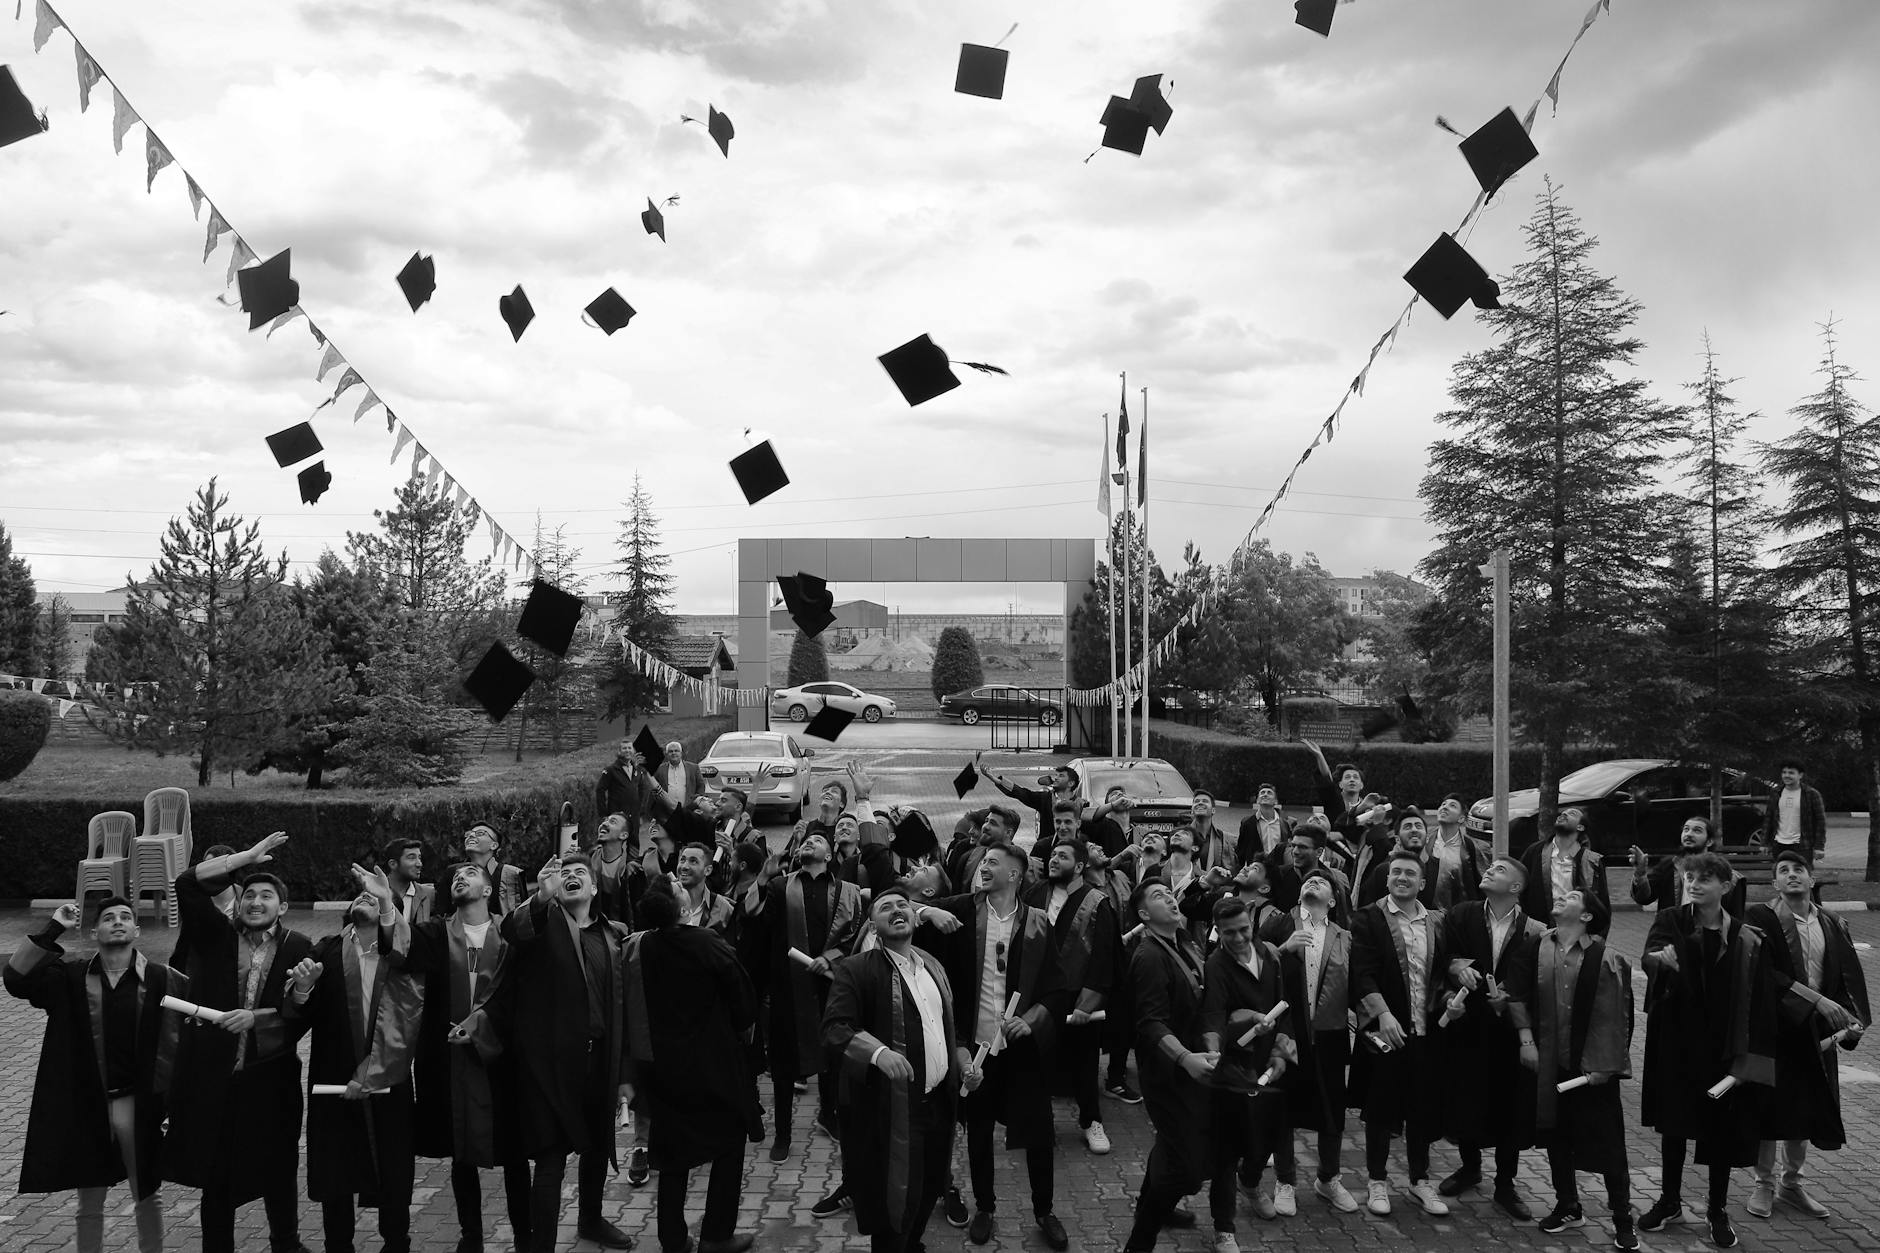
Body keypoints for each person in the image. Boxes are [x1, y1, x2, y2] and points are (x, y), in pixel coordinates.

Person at [465, 854, 637, 1252]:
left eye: (582, 874)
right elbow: (514, 930)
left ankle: (591, 1220)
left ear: (595, 888)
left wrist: (625, 1072)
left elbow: (625, 1008)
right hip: (548, 1066)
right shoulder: (543, 926)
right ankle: (540, 1245)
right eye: (567, 874)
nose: (573, 877)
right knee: (551, 1159)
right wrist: (541, 898)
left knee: (596, 1147)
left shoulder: (613, 935)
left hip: (598, 1061)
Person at [161, 831, 315, 1253]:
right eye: (249, 895)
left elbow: (301, 1018)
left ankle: (286, 1243)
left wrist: (273, 1010)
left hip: (271, 1080)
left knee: (279, 1168)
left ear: (281, 907)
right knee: (217, 1175)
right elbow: (187, 884)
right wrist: (242, 858)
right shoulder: (215, 937)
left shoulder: (298, 947)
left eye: (266, 896)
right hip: (216, 1077)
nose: (255, 902)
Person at [5, 897, 185, 1253]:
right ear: (94, 931)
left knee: (147, 1194)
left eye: (125, 917)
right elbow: (16, 979)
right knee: (90, 1200)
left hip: (139, 1105)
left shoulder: (164, 979)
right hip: (90, 1106)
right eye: (107, 918)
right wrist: (54, 928)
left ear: (136, 930)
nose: (117, 922)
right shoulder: (71, 978)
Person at [921, 839, 1070, 1250]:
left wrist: (1031, 1019)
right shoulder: (960, 910)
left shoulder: (1038, 923)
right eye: (982, 861)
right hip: (976, 1047)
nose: (983, 867)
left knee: (1039, 1133)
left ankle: (1045, 1210)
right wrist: (925, 909)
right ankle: (985, 1206)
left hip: (1021, 1049)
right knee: (979, 1131)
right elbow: (894, 905)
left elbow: (1058, 991)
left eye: (992, 862)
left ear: (1014, 874)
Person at [383, 860, 531, 1253]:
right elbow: (400, 948)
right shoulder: (435, 934)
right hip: (447, 1059)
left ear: (488, 890)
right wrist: (385, 902)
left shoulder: (510, 933)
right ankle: (472, 1235)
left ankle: (525, 1235)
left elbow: (523, 995)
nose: (462, 878)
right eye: (457, 877)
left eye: (472, 874)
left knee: (514, 1154)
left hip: (502, 1060)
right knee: (460, 1152)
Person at [1638, 852, 1776, 1249]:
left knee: (1720, 1130)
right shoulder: (1671, 920)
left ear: (1725, 886)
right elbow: (1651, 955)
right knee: (1674, 1125)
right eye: (1690, 877)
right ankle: (1669, 1201)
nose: (1694, 884)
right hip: (1677, 1041)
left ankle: (1717, 1209)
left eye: (1704, 879)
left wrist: (1750, 1054)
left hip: (1722, 1045)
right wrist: (1658, 961)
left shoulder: (1745, 936)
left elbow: (1759, 997)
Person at [288, 871, 424, 1253]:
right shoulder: (327, 949)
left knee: (394, 1170)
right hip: (335, 1075)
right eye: (359, 897)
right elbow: (299, 1015)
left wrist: (386, 905)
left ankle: (396, 1243)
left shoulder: (402, 955)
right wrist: (302, 989)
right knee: (336, 1170)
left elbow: (412, 1016)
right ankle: (338, 1246)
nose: (364, 898)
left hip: (390, 1076)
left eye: (375, 898)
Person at [825, 884, 965, 1253]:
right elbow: (835, 1028)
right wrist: (878, 1052)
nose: (896, 910)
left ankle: (913, 1244)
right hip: (892, 1111)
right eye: (885, 907)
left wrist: (961, 1059)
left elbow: (946, 1025)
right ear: (873, 925)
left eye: (903, 904)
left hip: (938, 1103)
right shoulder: (857, 969)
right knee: (895, 1200)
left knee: (929, 1187)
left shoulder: (933, 965)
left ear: (915, 917)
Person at [624, 883, 759, 1253]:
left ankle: (672, 1239)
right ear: (681, 909)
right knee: (731, 1142)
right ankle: (717, 1235)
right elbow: (743, 1001)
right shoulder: (707, 943)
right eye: (678, 888)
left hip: (662, 1068)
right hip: (712, 1064)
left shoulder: (641, 946)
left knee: (671, 1157)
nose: (682, 884)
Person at [1503, 889, 1637, 1248]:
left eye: (1573, 895)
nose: (1562, 897)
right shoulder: (1537, 947)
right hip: (1549, 1064)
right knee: (1556, 1137)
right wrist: (1526, 1040)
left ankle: (1623, 1218)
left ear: (1588, 916)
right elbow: (1516, 993)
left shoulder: (1606, 957)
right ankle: (1567, 1205)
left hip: (1592, 1070)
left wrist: (1604, 1067)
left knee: (1609, 1144)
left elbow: (1616, 1019)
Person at [1744, 848, 1870, 1221]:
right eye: (1784, 870)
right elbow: (1764, 974)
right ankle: (1762, 1183)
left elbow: (1848, 975)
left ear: (1811, 879)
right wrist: (1816, 1001)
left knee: (1805, 1104)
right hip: (1774, 1025)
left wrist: (1853, 1019)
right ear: (1775, 882)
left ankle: (1792, 1182)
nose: (1792, 875)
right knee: (1770, 1105)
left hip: (1816, 1030)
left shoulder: (1832, 922)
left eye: (1799, 869)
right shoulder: (1760, 918)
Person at [743, 831, 863, 1163]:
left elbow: (856, 933)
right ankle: (782, 1133)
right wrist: (764, 878)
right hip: (787, 987)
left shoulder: (846, 891)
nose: (810, 843)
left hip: (830, 986)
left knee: (831, 1057)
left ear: (830, 854)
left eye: (818, 841)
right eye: (806, 841)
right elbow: (754, 919)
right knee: (783, 1064)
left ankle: (829, 1114)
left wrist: (833, 955)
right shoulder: (781, 887)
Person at [1436, 856, 1545, 1219]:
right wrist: (1456, 967)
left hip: (1509, 1031)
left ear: (1515, 887)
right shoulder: (1462, 914)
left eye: (1500, 870)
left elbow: (1535, 979)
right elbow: (1442, 954)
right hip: (1467, 1023)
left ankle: (1505, 1184)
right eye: (1490, 867)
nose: (1489, 871)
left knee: (1508, 1105)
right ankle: (1469, 1168)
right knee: (1466, 1097)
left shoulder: (1534, 929)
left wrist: (1511, 998)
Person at [1349, 849, 1453, 1218]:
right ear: (1387, 878)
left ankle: (1418, 1179)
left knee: (1421, 1107)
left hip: (1428, 1030)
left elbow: (1444, 969)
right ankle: (1377, 1180)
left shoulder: (1438, 921)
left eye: (1410, 873)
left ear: (1422, 883)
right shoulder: (1368, 918)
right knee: (1380, 1108)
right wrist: (1383, 1014)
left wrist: (1454, 994)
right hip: (1387, 1030)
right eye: (1396, 872)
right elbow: (1361, 972)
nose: (1402, 878)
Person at [1119, 879, 1216, 1253]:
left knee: (1169, 1149)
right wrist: (1185, 1057)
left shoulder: (1185, 942)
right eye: (1159, 896)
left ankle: (1157, 1207)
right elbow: (1150, 1023)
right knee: (1184, 1167)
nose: (1171, 898)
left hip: (1194, 1064)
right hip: (1167, 1073)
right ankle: (1139, 1242)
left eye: (1170, 893)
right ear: (1144, 915)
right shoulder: (1149, 957)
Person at [1259, 871, 1360, 1214]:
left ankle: (1328, 1179)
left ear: (1332, 901)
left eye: (1323, 882)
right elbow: (1253, 958)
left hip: (1330, 1036)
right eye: (1309, 881)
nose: (1313, 882)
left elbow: (1358, 986)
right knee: (1284, 1110)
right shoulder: (1277, 924)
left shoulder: (1345, 937)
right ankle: (1285, 1180)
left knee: (1332, 1111)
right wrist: (1282, 949)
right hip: (1287, 1032)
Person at [1199, 896, 1295, 1244]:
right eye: (1229, 933)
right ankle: (1224, 1229)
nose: (1238, 939)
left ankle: (1251, 1183)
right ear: (1218, 931)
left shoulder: (1269, 954)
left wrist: (1283, 1052)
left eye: (1243, 930)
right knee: (1227, 1150)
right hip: (1235, 1066)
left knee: (1268, 1136)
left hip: (1269, 1062)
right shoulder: (1216, 965)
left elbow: (1285, 1007)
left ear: (1251, 925)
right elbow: (1214, 1015)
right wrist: (1214, 1048)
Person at [1023, 836, 1118, 1156]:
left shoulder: (1097, 901)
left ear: (1079, 866)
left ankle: (1091, 1121)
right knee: (1036, 1061)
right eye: (1052, 855)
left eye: (1062, 857)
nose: (1053, 860)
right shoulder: (1036, 893)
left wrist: (1089, 1002)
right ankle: (1038, 1123)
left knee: (1084, 1063)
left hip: (1079, 997)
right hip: (1040, 995)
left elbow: (1104, 956)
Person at [1628, 817, 1747, 915]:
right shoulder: (1669, 865)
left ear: (1709, 841)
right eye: (1686, 829)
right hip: (1673, 935)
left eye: (1697, 830)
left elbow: (1735, 920)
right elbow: (1643, 899)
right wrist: (1640, 874)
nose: (1689, 834)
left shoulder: (1728, 877)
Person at [1519, 807, 1611, 936]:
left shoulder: (1591, 861)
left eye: (1571, 813)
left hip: (1576, 934)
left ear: (1580, 827)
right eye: (1562, 813)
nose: (1564, 814)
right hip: (1538, 932)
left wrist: (1597, 941)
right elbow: (1520, 891)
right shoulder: (1535, 852)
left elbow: (1602, 904)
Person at [979, 756, 1080, 842]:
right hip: (1046, 849)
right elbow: (1021, 793)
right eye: (1056, 775)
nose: (1056, 778)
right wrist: (997, 780)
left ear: (1071, 783)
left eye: (1061, 776)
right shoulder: (1044, 798)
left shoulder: (1080, 804)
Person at [1267, 823, 1353, 924]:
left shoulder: (1333, 882)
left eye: (1302, 847)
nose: (1295, 851)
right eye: (1293, 846)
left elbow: (1342, 922)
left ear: (1319, 852)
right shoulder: (1277, 876)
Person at [1356, 807, 1436, 909]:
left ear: (1427, 837)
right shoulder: (1383, 871)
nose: (1414, 830)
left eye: (1418, 826)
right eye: (1407, 827)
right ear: (1397, 839)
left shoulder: (1439, 868)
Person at [1425, 794, 1495, 910]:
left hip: (1461, 914)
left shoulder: (1474, 848)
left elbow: (1484, 883)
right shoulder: (1426, 842)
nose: (1445, 807)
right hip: (1429, 914)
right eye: (1443, 805)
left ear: (1461, 818)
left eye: (1452, 806)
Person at [1759, 759, 1826, 866]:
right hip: (1779, 844)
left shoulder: (1811, 794)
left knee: (1802, 876)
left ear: (1800, 775)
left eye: (1791, 773)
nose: (1787, 776)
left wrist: (1819, 847)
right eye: (1784, 772)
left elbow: (1820, 822)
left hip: (1803, 846)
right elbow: (1769, 818)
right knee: (1781, 875)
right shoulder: (1776, 792)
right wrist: (1764, 843)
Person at [459, 825, 525, 917]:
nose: (471, 836)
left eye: (480, 833)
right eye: (469, 834)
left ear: (493, 845)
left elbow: (522, 916)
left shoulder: (510, 874)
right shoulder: (456, 874)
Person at [672, 842, 735, 937]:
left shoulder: (722, 907)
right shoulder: (665, 902)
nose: (684, 866)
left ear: (708, 870)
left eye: (693, 861)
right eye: (682, 860)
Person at [648, 740, 707, 839]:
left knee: (688, 838)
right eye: (670, 751)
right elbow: (653, 791)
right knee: (668, 839)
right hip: (666, 814)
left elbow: (701, 786)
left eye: (676, 751)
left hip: (688, 811)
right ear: (666, 754)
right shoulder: (659, 770)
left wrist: (697, 802)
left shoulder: (693, 768)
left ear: (681, 753)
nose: (674, 753)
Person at [597, 736, 648, 848]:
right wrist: (604, 814)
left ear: (633, 751)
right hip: (616, 816)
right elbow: (600, 790)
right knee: (615, 844)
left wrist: (640, 812)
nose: (627, 750)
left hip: (634, 816)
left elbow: (641, 790)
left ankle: (632, 865)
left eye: (630, 748)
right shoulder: (611, 770)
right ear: (619, 752)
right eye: (624, 748)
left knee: (634, 845)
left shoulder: (638, 770)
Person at [1234, 782, 1294, 871]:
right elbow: (1241, 851)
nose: (1265, 794)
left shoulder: (1285, 824)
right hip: (1256, 871)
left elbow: (1289, 849)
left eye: (1269, 793)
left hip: (1280, 870)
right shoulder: (1247, 823)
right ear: (1258, 800)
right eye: (1262, 793)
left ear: (1276, 801)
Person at [381, 837, 436, 923]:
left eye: (419, 858)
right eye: (411, 858)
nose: (419, 864)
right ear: (393, 864)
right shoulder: (374, 895)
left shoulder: (429, 895)